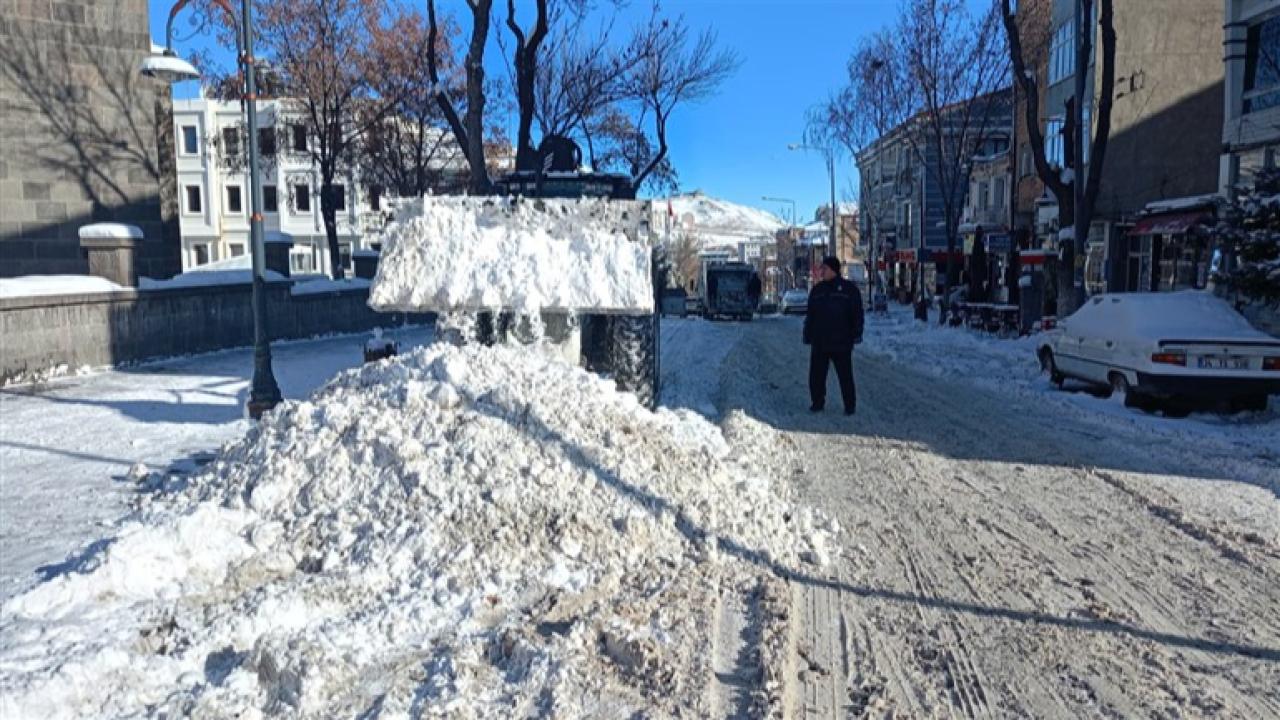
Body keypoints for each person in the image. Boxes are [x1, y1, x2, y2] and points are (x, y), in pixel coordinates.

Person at [803, 256, 864, 415]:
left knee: (845, 376)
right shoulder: (817, 291)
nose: (821, 271)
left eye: (824, 268)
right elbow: (811, 315)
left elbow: (857, 313)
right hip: (820, 341)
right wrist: (808, 333)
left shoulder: (849, 290)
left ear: (833, 270)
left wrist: (857, 333)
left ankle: (849, 406)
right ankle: (817, 402)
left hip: (841, 341)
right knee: (816, 376)